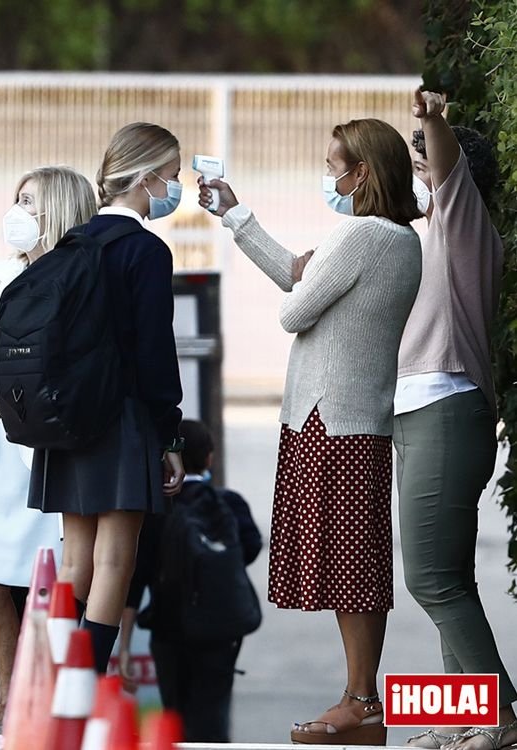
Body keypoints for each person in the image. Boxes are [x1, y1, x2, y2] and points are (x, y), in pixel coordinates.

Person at [199, 118, 422, 745]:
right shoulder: (398, 239)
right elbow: (301, 277)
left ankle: (360, 700)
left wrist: (311, 270)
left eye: (336, 166)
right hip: (350, 417)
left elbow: (294, 308)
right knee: (355, 560)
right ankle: (360, 698)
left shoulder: (359, 234)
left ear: (364, 173)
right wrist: (237, 218)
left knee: (351, 564)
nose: (330, 177)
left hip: (334, 419)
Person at [27, 122, 185, 675]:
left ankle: (50, 684)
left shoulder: (72, 243)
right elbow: (154, 355)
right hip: (123, 421)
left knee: (74, 558)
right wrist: (170, 435)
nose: (173, 188)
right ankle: (83, 683)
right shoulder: (146, 251)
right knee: (115, 556)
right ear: (144, 180)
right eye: (170, 177)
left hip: (67, 418)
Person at [0, 165, 96, 744]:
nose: (17, 210)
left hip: (57, 452)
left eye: (29, 201)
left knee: (52, 588)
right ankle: (7, 705)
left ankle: (38, 712)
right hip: (1, 450)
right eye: (16, 199)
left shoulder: (83, 277)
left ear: (57, 209)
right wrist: (3, 396)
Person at [394, 89, 517, 750]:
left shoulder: (461, 221)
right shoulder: (434, 239)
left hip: (445, 410)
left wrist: (432, 122)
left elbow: (443, 166)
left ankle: (501, 717)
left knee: (430, 580)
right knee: (450, 580)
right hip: (422, 415)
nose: (417, 181)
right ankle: (460, 716)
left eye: (421, 172)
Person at [119, 418, 263, 742]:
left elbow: (135, 580)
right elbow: (250, 547)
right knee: (213, 715)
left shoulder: (156, 513)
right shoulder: (230, 504)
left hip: (169, 630)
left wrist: (125, 647)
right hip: (219, 632)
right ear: (209, 458)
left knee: (174, 716)